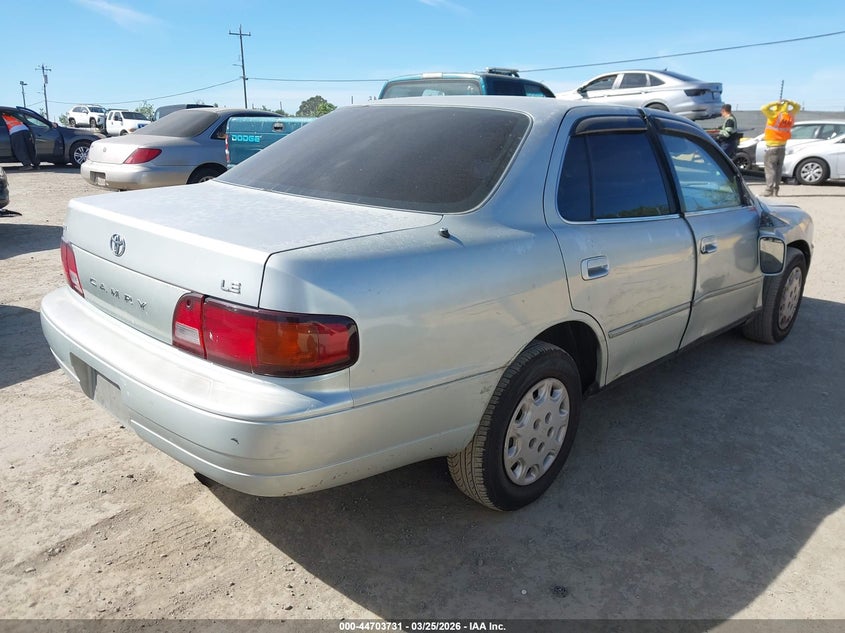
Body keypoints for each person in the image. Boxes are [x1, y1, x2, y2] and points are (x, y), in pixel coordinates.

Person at [760, 99, 801, 196]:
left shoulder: (774, 115)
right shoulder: (790, 115)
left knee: (770, 169)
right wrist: (789, 102)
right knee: (778, 170)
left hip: (771, 147)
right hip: (782, 147)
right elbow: (798, 107)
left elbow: (763, 108)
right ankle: (776, 190)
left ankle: (768, 190)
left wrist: (774, 102)